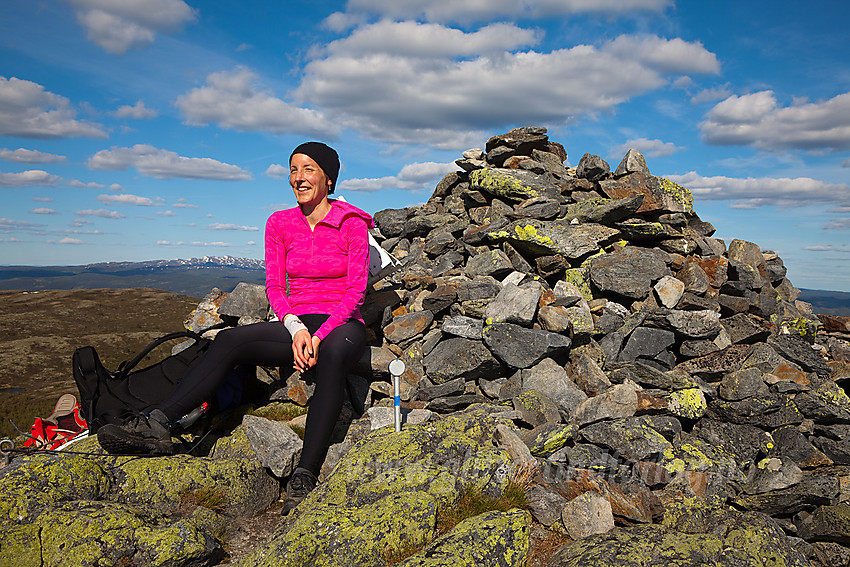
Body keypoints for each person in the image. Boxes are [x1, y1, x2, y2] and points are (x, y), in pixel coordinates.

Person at [97, 141, 372, 514]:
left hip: (341, 324)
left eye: (308, 169)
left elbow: (356, 291)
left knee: (335, 354)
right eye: (293, 170)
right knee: (228, 339)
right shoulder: (279, 223)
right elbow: (276, 286)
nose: (298, 178)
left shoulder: (352, 222)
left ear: (328, 177)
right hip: (297, 322)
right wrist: (295, 329)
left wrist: (318, 337)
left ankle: (305, 473)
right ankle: (158, 423)